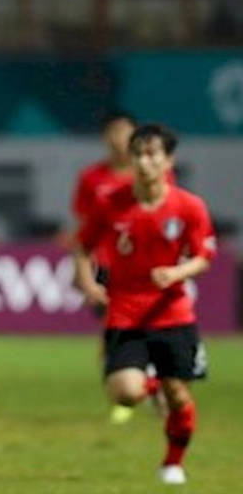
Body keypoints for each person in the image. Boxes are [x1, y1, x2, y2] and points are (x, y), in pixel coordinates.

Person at [72, 124, 216, 487]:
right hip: (125, 312)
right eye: (137, 154)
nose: (143, 161)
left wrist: (177, 272)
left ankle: (172, 463)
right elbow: (82, 245)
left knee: (178, 395)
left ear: (168, 160)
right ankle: (150, 384)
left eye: (152, 154)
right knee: (125, 393)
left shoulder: (189, 206)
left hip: (173, 312)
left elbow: (204, 256)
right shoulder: (111, 203)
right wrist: (87, 282)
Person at [70, 111, 172, 423]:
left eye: (125, 132)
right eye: (114, 132)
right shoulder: (92, 178)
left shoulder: (156, 174)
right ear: (105, 137)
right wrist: (82, 274)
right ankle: (126, 392)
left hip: (148, 267)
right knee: (112, 331)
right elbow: (84, 227)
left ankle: (150, 386)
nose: (119, 139)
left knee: (152, 329)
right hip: (107, 265)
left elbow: (170, 215)